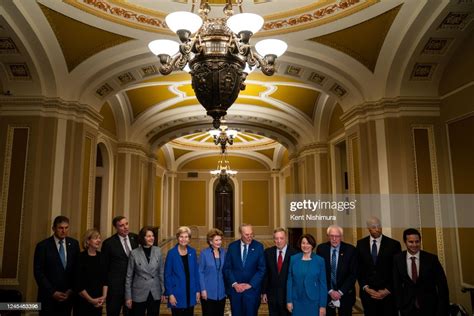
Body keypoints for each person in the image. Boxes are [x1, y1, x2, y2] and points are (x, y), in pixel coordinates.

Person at [393, 228, 449, 316]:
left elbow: (442, 285)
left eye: (417, 241)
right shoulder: (397, 259)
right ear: (405, 242)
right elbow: (396, 285)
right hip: (407, 308)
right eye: (411, 242)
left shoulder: (431, 259)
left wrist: (442, 310)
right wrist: (399, 306)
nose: (414, 245)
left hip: (430, 307)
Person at [33, 215, 80, 316]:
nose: (64, 231)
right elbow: (38, 272)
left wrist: (70, 290)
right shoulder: (43, 246)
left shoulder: (74, 244)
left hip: (67, 297)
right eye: (60, 228)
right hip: (48, 298)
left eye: (66, 228)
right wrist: (53, 292)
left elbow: (77, 270)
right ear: (53, 228)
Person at [356, 216, 401, 316]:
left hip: (388, 294)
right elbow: (359, 268)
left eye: (379, 226)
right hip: (368, 294)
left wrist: (387, 290)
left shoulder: (394, 244)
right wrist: (365, 287)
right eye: (373, 227)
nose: (377, 229)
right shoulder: (360, 244)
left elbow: (397, 270)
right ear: (368, 228)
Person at [223, 223, 266, 316]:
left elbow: (262, 269)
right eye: (247, 235)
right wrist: (234, 284)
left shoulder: (259, 247)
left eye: (251, 234)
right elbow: (227, 268)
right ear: (240, 233)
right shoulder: (232, 246)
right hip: (236, 291)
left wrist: (250, 284)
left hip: (252, 291)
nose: (249, 237)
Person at [316, 225, 357, 316]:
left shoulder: (351, 250)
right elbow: (320, 273)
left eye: (337, 236)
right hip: (327, 293)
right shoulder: (321, 249)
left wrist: (340, 292)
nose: (334, 239)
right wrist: (330, 291)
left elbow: (353, 274)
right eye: (331, 236)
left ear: (341, 237)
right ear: (328, 236)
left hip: (345, 293)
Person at [101, 216, 138, 316]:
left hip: (132, 287)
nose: (125, 227)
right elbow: (105, 268)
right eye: (121, 225)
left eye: (126, 224)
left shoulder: (135, 238)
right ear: (116, 228)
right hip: (115, 288)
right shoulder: (108, 243)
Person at [125, 226, 164, 316]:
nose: (152, 238)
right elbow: (129, 276)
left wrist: (163, 291)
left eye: (152, 235)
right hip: (139, 292)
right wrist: (128, 297)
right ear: (143, 238)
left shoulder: (158, 251)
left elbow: (161, 272)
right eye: (148, 236)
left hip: (155, 291)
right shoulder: (134, 253)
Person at [287, 234, 327, 316]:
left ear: (312, 245)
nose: (305, 245)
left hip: (314, 301)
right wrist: (289, 300)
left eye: (308, 243)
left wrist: (322, 306)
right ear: (300, 244)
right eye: (303, 243)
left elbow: (323, 284)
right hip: (297, 300)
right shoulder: (293, 259)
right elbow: (290, 281)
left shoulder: (320, 260)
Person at [164, 226, 201, 316]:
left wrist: (197, 290)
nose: (183, 239)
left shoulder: (192, 251)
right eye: (181, 237)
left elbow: (196, 273)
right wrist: (170, 294)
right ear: (177, 238)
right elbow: (167, 275)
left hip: (190, 291)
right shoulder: (171, 253)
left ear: (189, 239)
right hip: (177, 293)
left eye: (186, 237)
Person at [262, 227, 298, 316]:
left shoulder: (295, 254)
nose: (279, 241)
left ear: (286, 238)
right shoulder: (268, 252)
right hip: (272, 296)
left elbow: (296, 277)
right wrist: (264, 292)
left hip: (288, 297)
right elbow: (265, 274)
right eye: (276, 238)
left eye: (281, 238)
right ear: (274, 239)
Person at [75, 228, 107, 316]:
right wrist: (91, 300)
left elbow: (105, 279)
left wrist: (103, 297)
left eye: (99, 238)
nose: (99, 240)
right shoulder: (80, 257)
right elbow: (78, 283)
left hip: (99, 301)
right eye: (96, 238)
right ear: (88, 241)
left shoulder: (102, 256)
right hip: (83, 301)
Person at [199, 228, 226, 316]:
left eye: (220, 239)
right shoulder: (204, 253)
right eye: (216, 240)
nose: (219, 242)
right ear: (210, 242)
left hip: (222, 293)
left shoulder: (224, 252)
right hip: (208, 292)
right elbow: (200, 272)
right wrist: (203, 289)